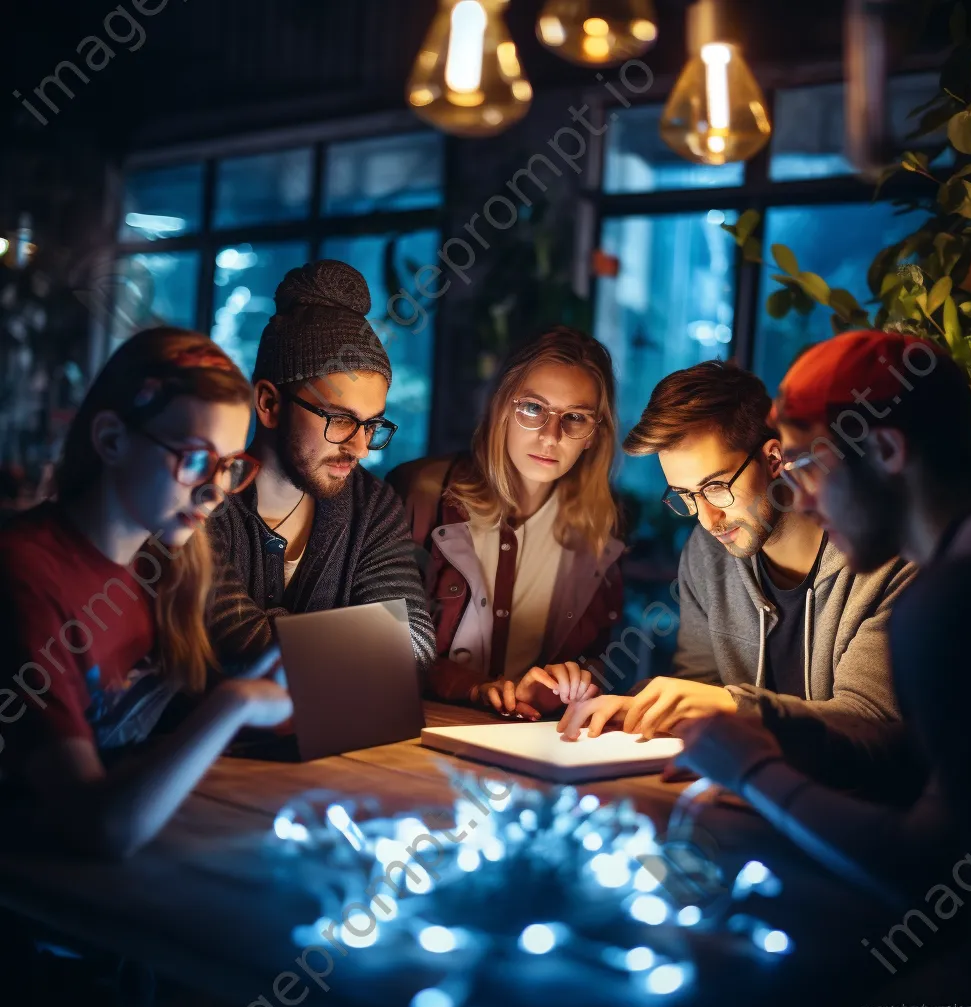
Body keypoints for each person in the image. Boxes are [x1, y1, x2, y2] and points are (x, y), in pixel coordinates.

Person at [664, 330, 971, 1001]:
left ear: (886, 451)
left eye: (807, 465)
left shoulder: (954, 602)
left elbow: (931, 874)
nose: (797, 498)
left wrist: (751, 764)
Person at [0, 328, 292, 858]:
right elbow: (100, 829)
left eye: (229, 467)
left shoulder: (167, 559)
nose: (215, 492)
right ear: (111, 439)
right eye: (196, 460)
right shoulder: (24, 575)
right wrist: (232, 703)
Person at [559, 360, 915, 790]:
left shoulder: (889, 560)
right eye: (686, 495)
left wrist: (733, 705)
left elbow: (873, 727)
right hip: (749, 797)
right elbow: (698, 687)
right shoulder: (708, 554)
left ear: (774, 458)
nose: (707, 518)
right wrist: (636, 707)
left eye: (715, 486)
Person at [204, 259, 435, 674]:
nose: (361, 448)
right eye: (340, 419)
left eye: (372, 424)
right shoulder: (201, 499)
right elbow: (235, 643)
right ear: (270, 404)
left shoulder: (372, 506)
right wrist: (355, 641)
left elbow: (412, 651)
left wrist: (278, 634)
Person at [387, 327, 624, 720]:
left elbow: (600, 660)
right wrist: (473, 688)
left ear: (592, 435)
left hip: (527, 747)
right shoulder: (421, 494)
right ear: (500, 409)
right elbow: (377, 644)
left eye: (575, 417)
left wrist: (568, 685)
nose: (551, 436)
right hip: (413, 731)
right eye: (533, 408)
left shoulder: (601, 531)